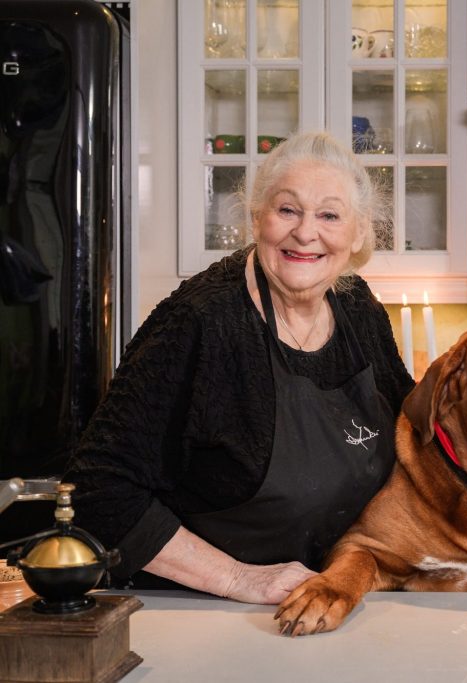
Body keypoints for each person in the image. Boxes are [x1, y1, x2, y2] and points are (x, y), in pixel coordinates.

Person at [64, 131, 414, 604]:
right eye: (287, 210)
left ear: (357, 234)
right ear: (256, 218)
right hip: (197, 612)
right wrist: (237, 579)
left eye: (329, 215)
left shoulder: (359, 311)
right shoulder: (199, 321)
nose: (305, 233)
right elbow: (97, 490)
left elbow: (414, 439)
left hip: (325, 599)